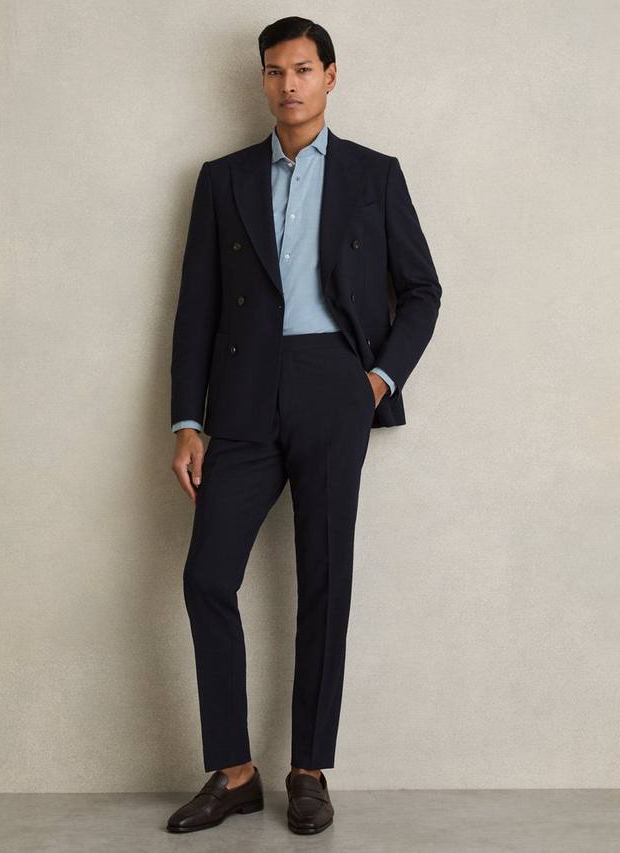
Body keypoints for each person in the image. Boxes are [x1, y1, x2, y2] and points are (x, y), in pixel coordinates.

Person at [166, 15, 442, 835]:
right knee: (207, 576)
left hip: (334, 385)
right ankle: (235, 772)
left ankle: (309, 769)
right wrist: (187, 419)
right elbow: (196, 306)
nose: (288, 84)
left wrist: (376, 379)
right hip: (241, 395)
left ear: (329, 75)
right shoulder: (222, 179)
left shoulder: (373, 174)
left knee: (326, 579)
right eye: (274, 70)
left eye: (302, 69)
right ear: (262, 80)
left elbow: (422, 290)